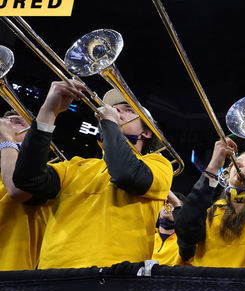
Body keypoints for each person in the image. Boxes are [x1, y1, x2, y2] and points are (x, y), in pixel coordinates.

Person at [13, 81, 173, 269]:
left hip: (114, 276)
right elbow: (27, 179)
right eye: (113, 108)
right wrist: (48, 112)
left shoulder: (158, 164)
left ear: (146, 132)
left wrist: (110, 123)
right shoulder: (75, 165)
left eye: (127, 109)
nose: (115, 111)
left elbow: (125, 174)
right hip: (53, 274)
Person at [174, 138, 245, 268]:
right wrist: (213, 167)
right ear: (228, 173)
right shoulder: (209, 212)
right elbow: (185, 230)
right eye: (238, 162)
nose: (242, 166)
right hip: (209, 286)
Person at [0, 111, 49, 270]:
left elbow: (17, 188)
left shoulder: (43, 172)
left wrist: (6, 140)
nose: (5, 124)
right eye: (5, 120)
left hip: (9, 273)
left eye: (17, 122)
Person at [152, 190, 184, 266]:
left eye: (174, 205)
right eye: (165, 203)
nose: (168, 206)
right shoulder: (148, 237)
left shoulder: (184, 241)